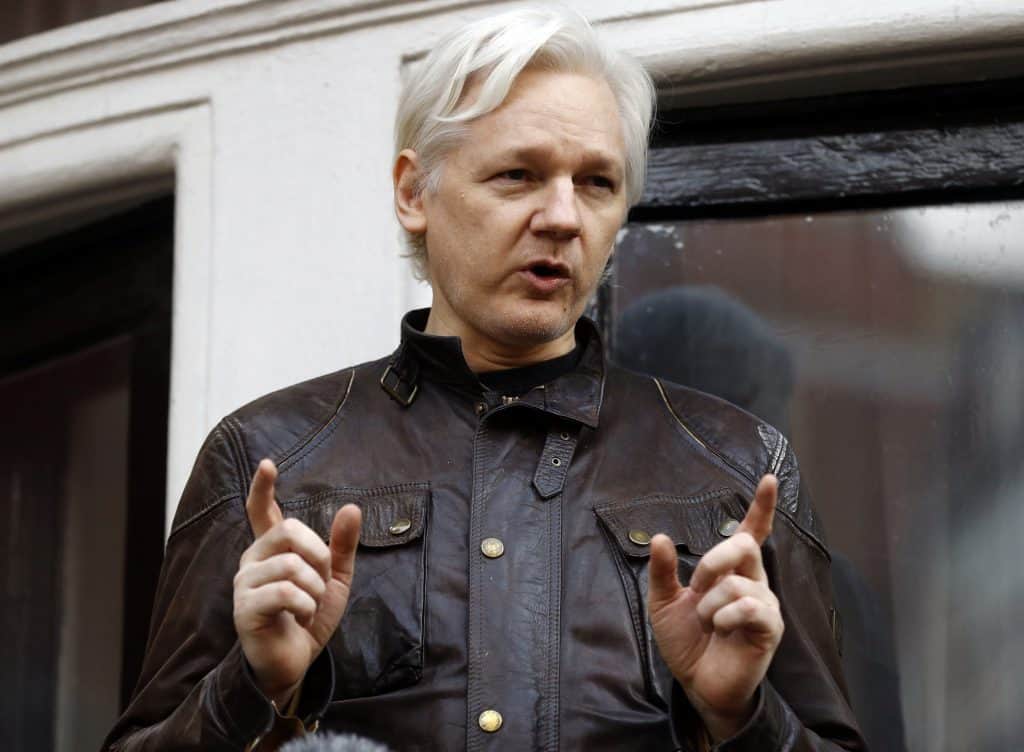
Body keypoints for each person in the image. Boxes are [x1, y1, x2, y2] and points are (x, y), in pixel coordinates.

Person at [104, 7, 865, 751]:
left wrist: (741, 716)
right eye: (517, 175)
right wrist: (252, 686)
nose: (563, 216)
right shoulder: (266, 456)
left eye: (596, 182)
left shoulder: (739, 467)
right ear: (414, 194)